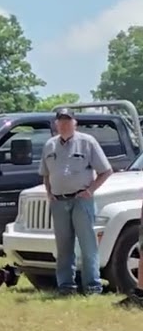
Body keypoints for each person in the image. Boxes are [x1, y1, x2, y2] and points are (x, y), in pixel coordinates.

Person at [40, 108, 113, 295]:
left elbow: (106, 170)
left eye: (68, 121)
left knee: (88, 245)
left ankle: (93, 286)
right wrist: (49, 193)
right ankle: (66, 286)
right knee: (63, 247)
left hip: (81, 200)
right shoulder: (49, 145)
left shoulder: (87, 142)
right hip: (58, 201)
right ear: (56, 124)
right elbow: (46, 174)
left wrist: (90, 190)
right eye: (61, 121)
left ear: (75, 123)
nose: (64, 124)